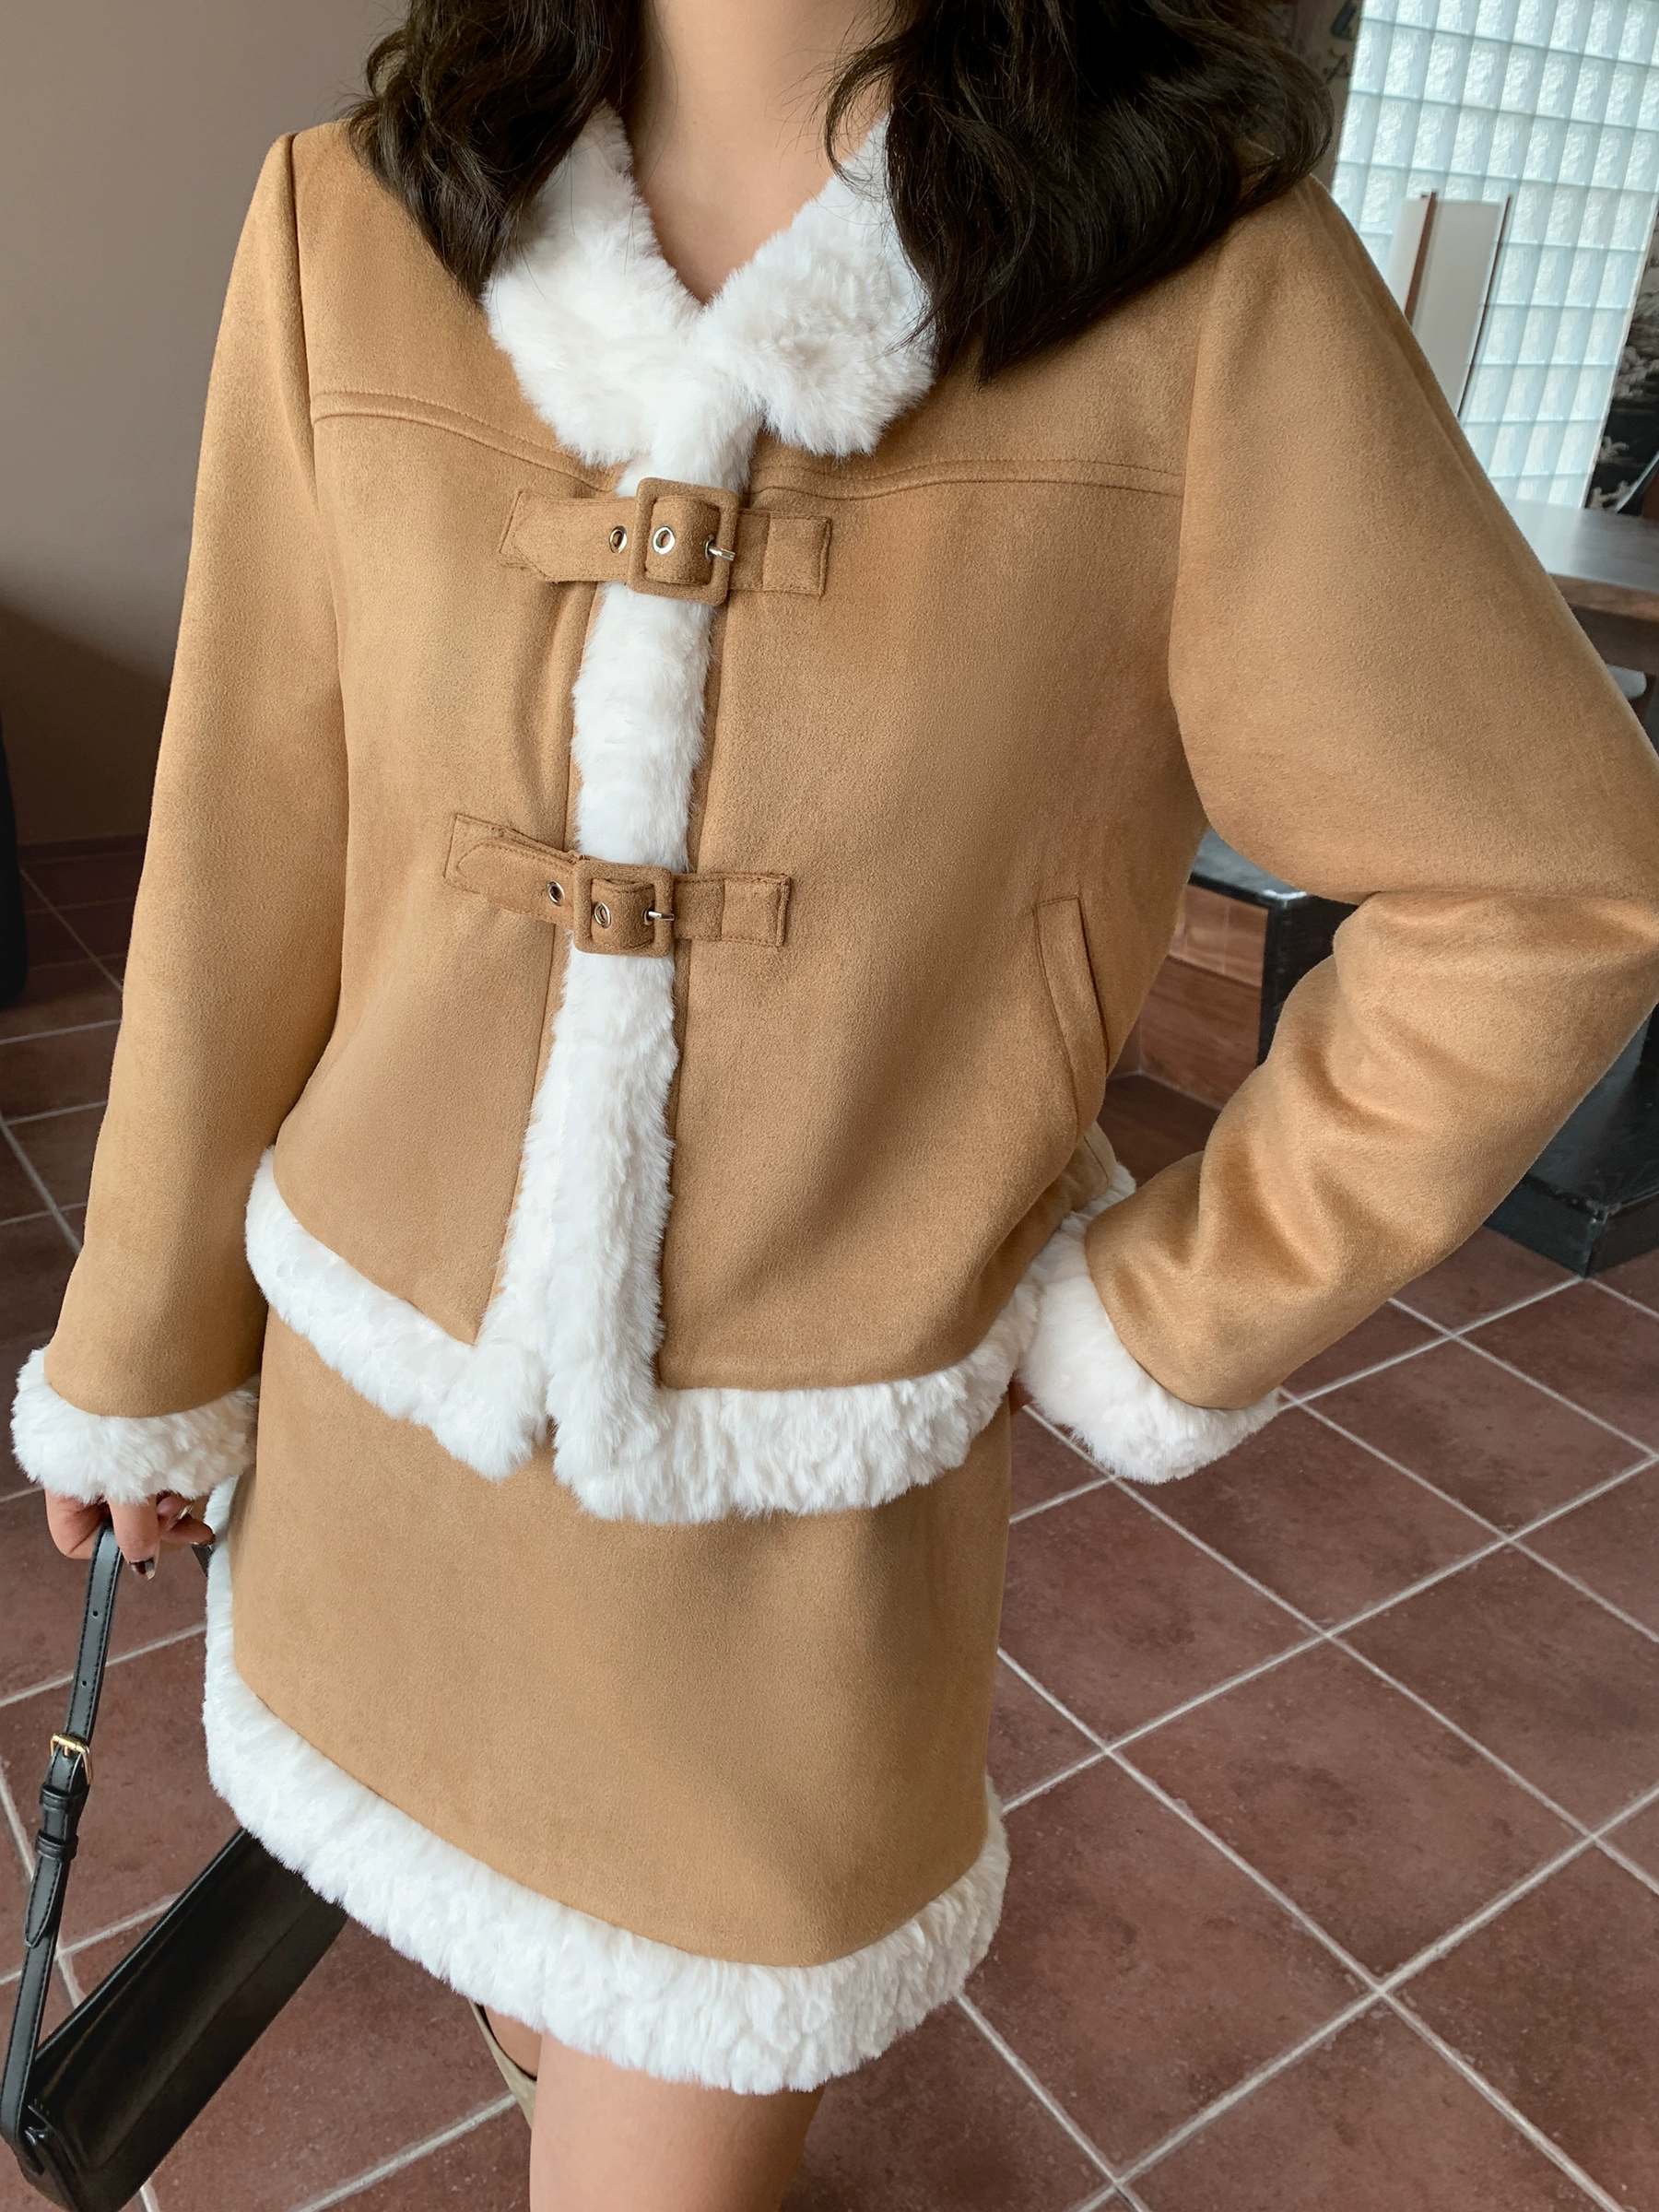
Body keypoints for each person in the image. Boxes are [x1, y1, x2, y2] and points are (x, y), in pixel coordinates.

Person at [17, 0, 1659, 2206]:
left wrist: (1172, 1305)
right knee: (536, 1998)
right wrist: (141, 1353)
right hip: (379, 1435)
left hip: (783, 1543)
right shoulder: (352, 220)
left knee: (677, 2085)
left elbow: (1550, 885)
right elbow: (250, 846)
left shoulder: (1196, 284)